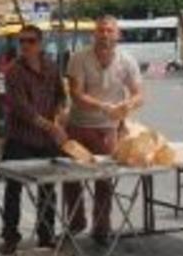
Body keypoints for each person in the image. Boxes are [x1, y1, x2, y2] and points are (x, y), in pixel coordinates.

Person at [64, 15, 143, 245]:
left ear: (118, 35)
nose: (105, 35)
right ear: (94, 34)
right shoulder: (79, 58)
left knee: (105, 180)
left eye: (109, 31)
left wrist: (129, 104)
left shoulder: (127, 60)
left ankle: (102, 229)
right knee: (71, 177)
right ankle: (75, 221)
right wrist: (103, 106)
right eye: (101, 31)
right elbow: (76, 95)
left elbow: (139, 93)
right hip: (78, 126)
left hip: (108, 130)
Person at [0, 25, 68, 254]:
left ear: (40, 43)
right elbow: (22, 109)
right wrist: (52, 128)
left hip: (45, 140)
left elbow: (61, 95)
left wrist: (59, 116)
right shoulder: (13, 71)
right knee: (13, 190)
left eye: (30, 41)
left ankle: (46, 236)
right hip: (20, 138)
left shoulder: (51, 66)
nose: (25, 46)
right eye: (22, 41)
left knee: (48, 190)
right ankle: (10, 237)